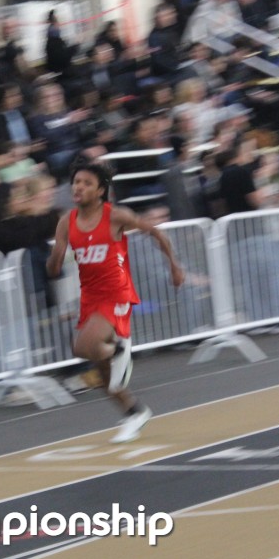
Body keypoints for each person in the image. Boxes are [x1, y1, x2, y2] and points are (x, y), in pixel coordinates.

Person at [46, 161, 183, 443]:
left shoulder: (115, 216)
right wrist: (55, 260)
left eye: (86, 183)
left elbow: (155, 232)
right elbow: (54, 266)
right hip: (90, 296)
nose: (78, 187)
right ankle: (135, 411)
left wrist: (174, 265)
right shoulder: (66, 222)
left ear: (100, 191)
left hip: (116, 293)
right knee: (103, 373)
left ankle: (119, 348)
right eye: (76, 182)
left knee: (83, 346)